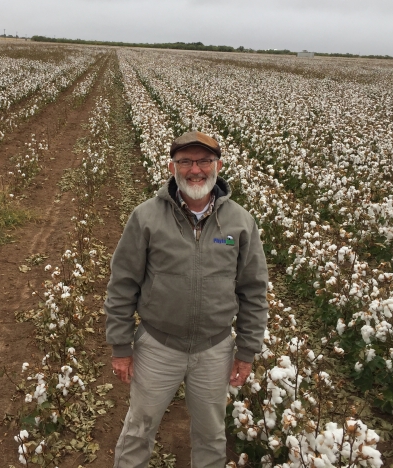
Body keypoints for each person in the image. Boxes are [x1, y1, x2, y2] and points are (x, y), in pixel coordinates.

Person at [104, 131, 269, 467]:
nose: (196, 169)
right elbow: (123, 284)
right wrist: (121, 347)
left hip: (214, 348)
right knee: (139, 429)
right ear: (172, 167)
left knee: (211, 436)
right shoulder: (146, 217)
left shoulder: (239, 222)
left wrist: (247, 350)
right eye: (186, 162)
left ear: (218, 166)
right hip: (158, 345)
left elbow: (253, 290)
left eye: (204, 161)